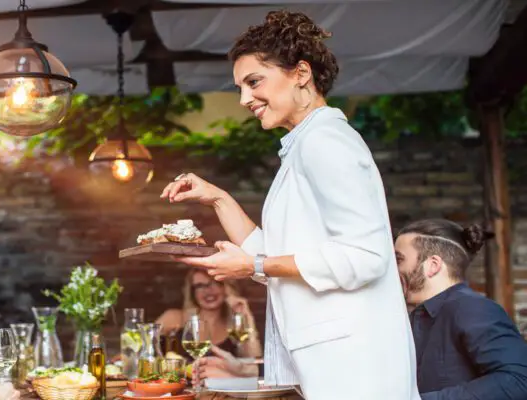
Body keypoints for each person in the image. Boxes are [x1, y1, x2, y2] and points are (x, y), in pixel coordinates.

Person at [160, 10, 419, 400]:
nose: (245, 99)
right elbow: (280, 256)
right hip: (331, 367)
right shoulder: (303, 147)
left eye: (253, 82)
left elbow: (365, 257)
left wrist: (254, 266)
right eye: (240, 88)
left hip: (356, 372)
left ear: (301, 73)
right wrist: (218, 198)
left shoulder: (325, 142)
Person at [395, 219, 527, 399]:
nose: (393, 271)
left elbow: (519, 381)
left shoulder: (472, 308)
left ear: (433, 265)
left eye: (399, 260)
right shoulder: (413, 318)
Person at [156, 268, 262, 360]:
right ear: (193, 292)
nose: (208, 291)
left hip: (223, 383)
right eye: (200, 286)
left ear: (227, 288)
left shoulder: (233, 327)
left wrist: (246, 317)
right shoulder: (175, 318)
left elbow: (253, 361)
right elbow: (146, 346)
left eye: (214, 283)